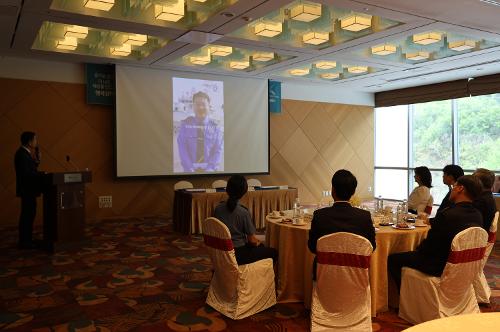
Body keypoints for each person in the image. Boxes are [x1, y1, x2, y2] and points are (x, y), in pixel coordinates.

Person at [388, 175, 483, 290]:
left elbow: (429, 247)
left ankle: (403, 299)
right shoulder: (478, 215)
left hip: (438, 265)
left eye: (454, 186)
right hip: (464, 264)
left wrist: (417, 248)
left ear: (460, 188)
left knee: (393, 259)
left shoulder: (447, 215)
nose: (452, 188)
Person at [308, 169, 376, 280]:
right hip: (356, 278)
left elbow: (312, 247)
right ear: (353, 192)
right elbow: (371, 247)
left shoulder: (319, 215)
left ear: (332, 191)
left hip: (325, 278)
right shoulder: (364, 217)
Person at [213, 175, 277, 265]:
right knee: (273, 252)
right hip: (239, 254)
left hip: (221, 251)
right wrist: (258, 243)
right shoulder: (243, 212)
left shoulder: (218, 208)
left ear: (227, 189)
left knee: (261, 247)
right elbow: (252, 240)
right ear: (244, 191)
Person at [177, 91, 223, 173]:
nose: (200, 107)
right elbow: (182, 149)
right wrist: (190, 169)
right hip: (189, 171)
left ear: (209, 106)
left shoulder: (216, 127)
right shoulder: (185, 125)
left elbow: (218, 150)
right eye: (197, 104)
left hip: (210, 172)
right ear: (193, 107)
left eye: (203, 104)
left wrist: (210, 169)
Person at [14, 131, 43, 249]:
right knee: (27, 215)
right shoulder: (21, 154)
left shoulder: (26, 153)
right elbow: (26, 174)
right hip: (27, 190)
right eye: (35, 139)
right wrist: (41, 175)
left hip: (29, 190)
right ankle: (25, 241)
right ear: (29, 141)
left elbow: (30, 170)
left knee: (29, 214)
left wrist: (37, 161)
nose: (36, 142)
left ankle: (27, 239)